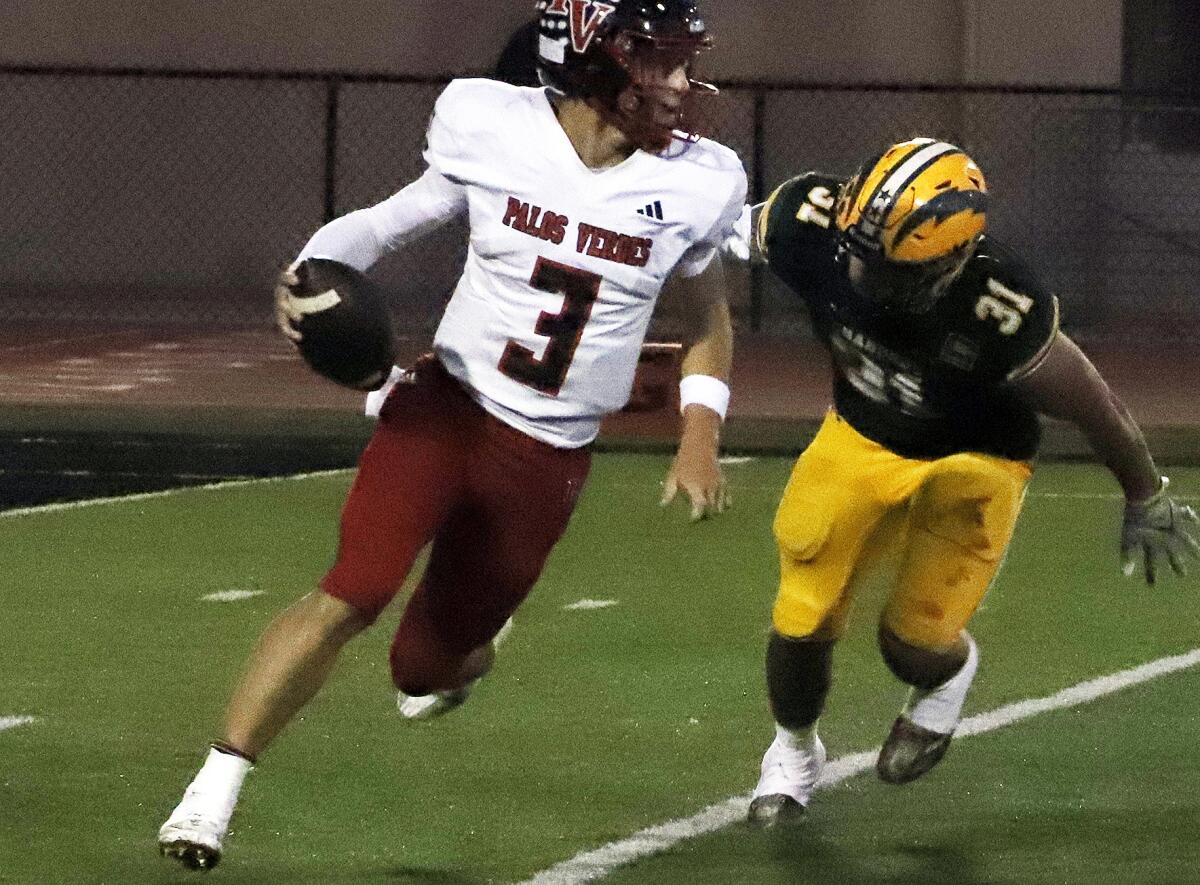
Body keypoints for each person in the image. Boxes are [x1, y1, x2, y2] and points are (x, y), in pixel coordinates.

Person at [158, 0, 746, 869]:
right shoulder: (493, 125)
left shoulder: (702, 179)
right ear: (589, 61)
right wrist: (313, 271)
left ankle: (467, 654)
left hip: (549, 454)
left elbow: (708, 318)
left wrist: (700, 433)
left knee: (422, 668)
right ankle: (209, 795)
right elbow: (391, 220)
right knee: (355, 585)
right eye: (654, 60)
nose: (677, 82)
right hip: (448, 405)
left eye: (679, 60)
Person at [727, 137, 1199, 825]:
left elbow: (1097, 405)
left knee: (910, 643)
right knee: (802, 614)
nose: (863, 277)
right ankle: (794, 751)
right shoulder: (809, 222)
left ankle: (945, 679)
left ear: (953, 262)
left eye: (889, 269)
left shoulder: (998, 309)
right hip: (863, 432)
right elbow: (703, 236)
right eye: (860, 252)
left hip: (978, 457)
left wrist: (1144, 492)